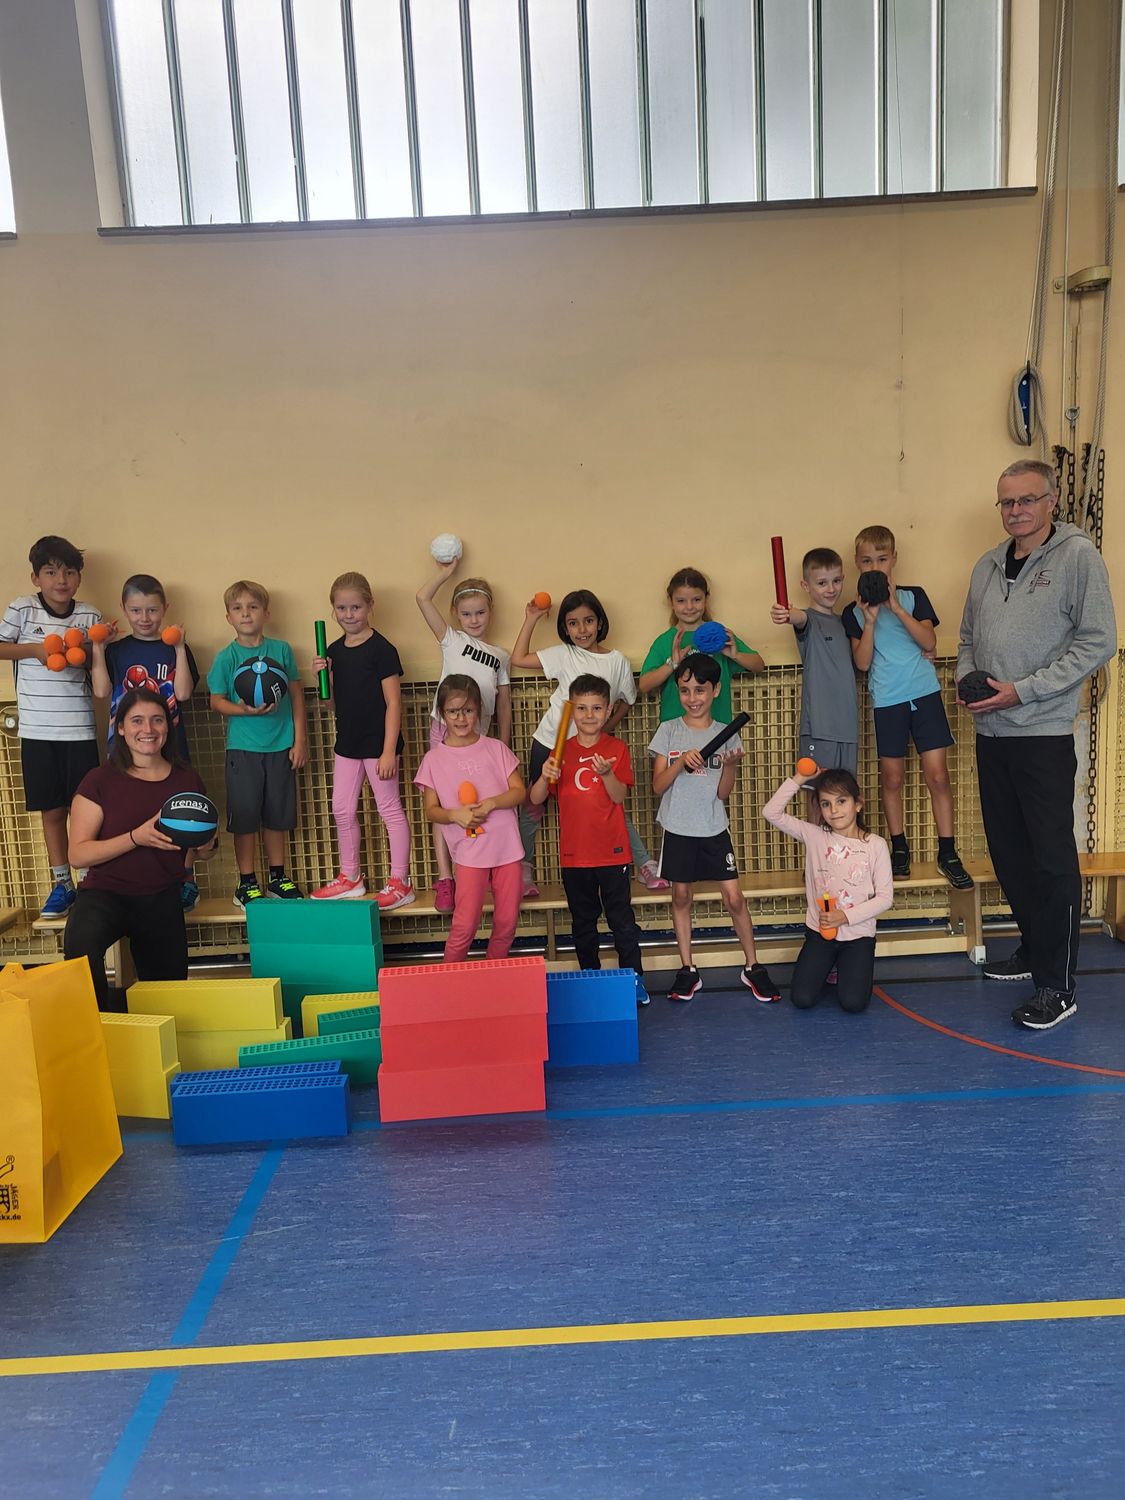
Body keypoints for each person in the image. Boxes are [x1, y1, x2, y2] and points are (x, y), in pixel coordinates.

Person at [957, 459, 1116, 1030]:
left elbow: (1099, 641)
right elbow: (968, 638)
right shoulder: (986, 565)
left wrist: (1022, 691)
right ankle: (1033, 948)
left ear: (1051, 501)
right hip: (991, 733)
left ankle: (1058, 985)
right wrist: (968, 681)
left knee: (1051, 861)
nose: (1016, 510)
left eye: (1027, 500)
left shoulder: (1077, 557)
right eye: (1007, 502)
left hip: (1042, 732)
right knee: (1010, 852)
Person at [63, 688, 217, 1011]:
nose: (148, 729)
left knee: (167, 999)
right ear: (120, 728)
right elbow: (77, 855)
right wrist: (135, 837)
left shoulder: (187, 781)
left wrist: (207, 845)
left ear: (167, 727)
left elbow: (202, 851)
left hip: (161, 895)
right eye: (137, 721)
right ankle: (98, 1025)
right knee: (80, 949)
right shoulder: (99, 781)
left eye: (157, 720)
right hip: (105, 894)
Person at [511, 588, 665, 896]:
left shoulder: (617, 661)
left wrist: (603, 732)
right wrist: (531, 618)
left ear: (600, 622)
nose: (582, 629)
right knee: (533, 806)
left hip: (592, 749)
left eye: (588, 621)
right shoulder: (564, 654)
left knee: (609, 805)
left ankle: (644, 863)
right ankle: (524, 870)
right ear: (565, 628)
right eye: (573, 623)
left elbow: (627, 700)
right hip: (551, 743)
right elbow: (518, 658)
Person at [844, 525, 973, 890]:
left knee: (938, 776)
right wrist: (871, 620)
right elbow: (862, 663)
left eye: (882, 559)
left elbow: (928, 640)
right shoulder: (853, 613)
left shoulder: (913, 596)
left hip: (924, 694)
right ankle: (899, 846)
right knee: (892, 778)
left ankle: (947, 851)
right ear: (857, 564)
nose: (875, 566)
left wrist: (896, 608)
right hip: (888, 701)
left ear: (894, 560)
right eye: (867, 561)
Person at [649, 652, 779, 1003]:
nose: (693, 698)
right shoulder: (668, 730)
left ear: (716, 690)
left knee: (734, 898)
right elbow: (657, 786)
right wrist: (680, 761)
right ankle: (687, 969)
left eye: (700, 690)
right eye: (685, 690)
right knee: (681, 896)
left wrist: (731, 766)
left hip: (713, 827)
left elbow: (722, 794)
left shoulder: (726, 735)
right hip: (678, 828)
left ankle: (753, 966)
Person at [529, 674, 650, 1005]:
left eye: (597, 708)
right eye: (581, 708)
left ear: (608, 709)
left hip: (613, 854)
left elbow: (619, 796)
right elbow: (536, 799)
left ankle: (634, 979)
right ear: (571, 710)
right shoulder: (560, 752)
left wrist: (607, 773)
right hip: (575, 857)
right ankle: (589, 978)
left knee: (622, 922)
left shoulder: (616, 748)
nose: (589, 715)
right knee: (583, 923)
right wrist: (544, 776)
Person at [0, 535, 103, 919]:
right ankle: (62, 884)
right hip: (37, 732)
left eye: (69, 572)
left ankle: (89, 880)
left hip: (80, 730)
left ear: (79, 578)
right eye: (50, 572)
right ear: (36, 577)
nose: (61, 580)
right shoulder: (22, 609)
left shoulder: (89, 615)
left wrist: (87, 653)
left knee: (86, 810)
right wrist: (34, 650)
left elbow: (98, 662)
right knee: (52, 810)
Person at [90, 572, 201, 910]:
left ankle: (185, 877)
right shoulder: (117, 650)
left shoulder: (175, 647)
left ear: (165, 609)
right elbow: (101, 690)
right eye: (136, 611)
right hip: (124, 748)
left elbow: (183, 693)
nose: (144, 618)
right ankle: (128, 879)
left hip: (169, 744)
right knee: (127, 809)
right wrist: (98, 647)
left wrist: (178, 648)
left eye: (152, 610)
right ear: (124, 609)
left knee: (181, 808)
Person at [309, 572, 413, 909]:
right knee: (341, 808)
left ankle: (401, 881)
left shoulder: (382, 650)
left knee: (389, 809)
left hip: (378, 745)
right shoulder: (333, 651)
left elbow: (394, 703)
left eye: (355, 607)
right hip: (348, 744)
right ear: (333, 610)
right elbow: (332, 705)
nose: (349, 614)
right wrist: (323, 677)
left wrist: (388, 750)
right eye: (341, 608)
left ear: (370, 606)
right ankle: (350, 877)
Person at [416, 551, 511, 914]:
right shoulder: (451, 640)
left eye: (480, 613)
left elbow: (503, 702)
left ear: (491, 612)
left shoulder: (500, 655)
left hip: (481, 741)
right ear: (456, 614)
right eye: (467, 613)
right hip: (445, 733)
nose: (474, 620)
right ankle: (446, 878)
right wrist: (446, 573)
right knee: (445, 807)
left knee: (480, 805)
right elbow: (422, 598)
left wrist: (503, 744)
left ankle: (481, 870)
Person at [207, 580, 306, 908]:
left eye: (253, 607)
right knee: (246, 817)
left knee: (277, 816)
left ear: (266, 613)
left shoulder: (281, 650)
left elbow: (296, 695)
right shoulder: (227, 657)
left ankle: (278, 877)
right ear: (228, 617)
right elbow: (216, 701)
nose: (246, 614)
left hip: (281, 747)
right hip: (243, 749)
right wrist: (244, 710)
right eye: (237, 608)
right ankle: (246, 882)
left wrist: (300, 739)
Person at [762, 766, 893, 1012]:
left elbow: (885, 898)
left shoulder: (875, 845)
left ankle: (846, 966)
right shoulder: (815, 836)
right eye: (826, 804)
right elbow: (771, 812)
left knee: (853, 1003)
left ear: (858, 804)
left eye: (841, 801)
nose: (834, 810)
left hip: (858, 937)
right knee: (802, 998)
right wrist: (800, 778)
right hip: (820, 934)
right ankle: (828, 965)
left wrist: (844, 916)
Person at [414, 675, 525, 963]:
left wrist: (492, 803)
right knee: (465, 925)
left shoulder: (496, 748)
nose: (461, 718)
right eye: (453, 711)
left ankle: (493, 975)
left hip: (507, 850)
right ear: (442, 713)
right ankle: (449, 982)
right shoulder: (433, 759)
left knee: (507, 922)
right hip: (470, 855)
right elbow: (431, 810)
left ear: (479, 711)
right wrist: (455, 815)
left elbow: (519, 792)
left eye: (468, 710)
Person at [639, 565, 765, 728]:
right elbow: (644, 685)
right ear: (671, 602)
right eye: (681, 601)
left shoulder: (720, 636)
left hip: (717, 730)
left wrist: (736, 655)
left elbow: (759, 665)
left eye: (696, 600)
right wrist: (672, 664)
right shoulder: (665, 641)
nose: (689, 607)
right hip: (676, 733)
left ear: (706, 599)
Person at [769, 548, 858, 774]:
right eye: (821, 583)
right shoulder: (808, 619)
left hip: (848, 729)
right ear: (805, 586)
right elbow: (798, 617)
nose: (831, 589)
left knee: (845, 792)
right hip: (819, 728)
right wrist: (786, 613)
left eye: (836, 581)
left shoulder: (846, 622)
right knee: (817, 792)